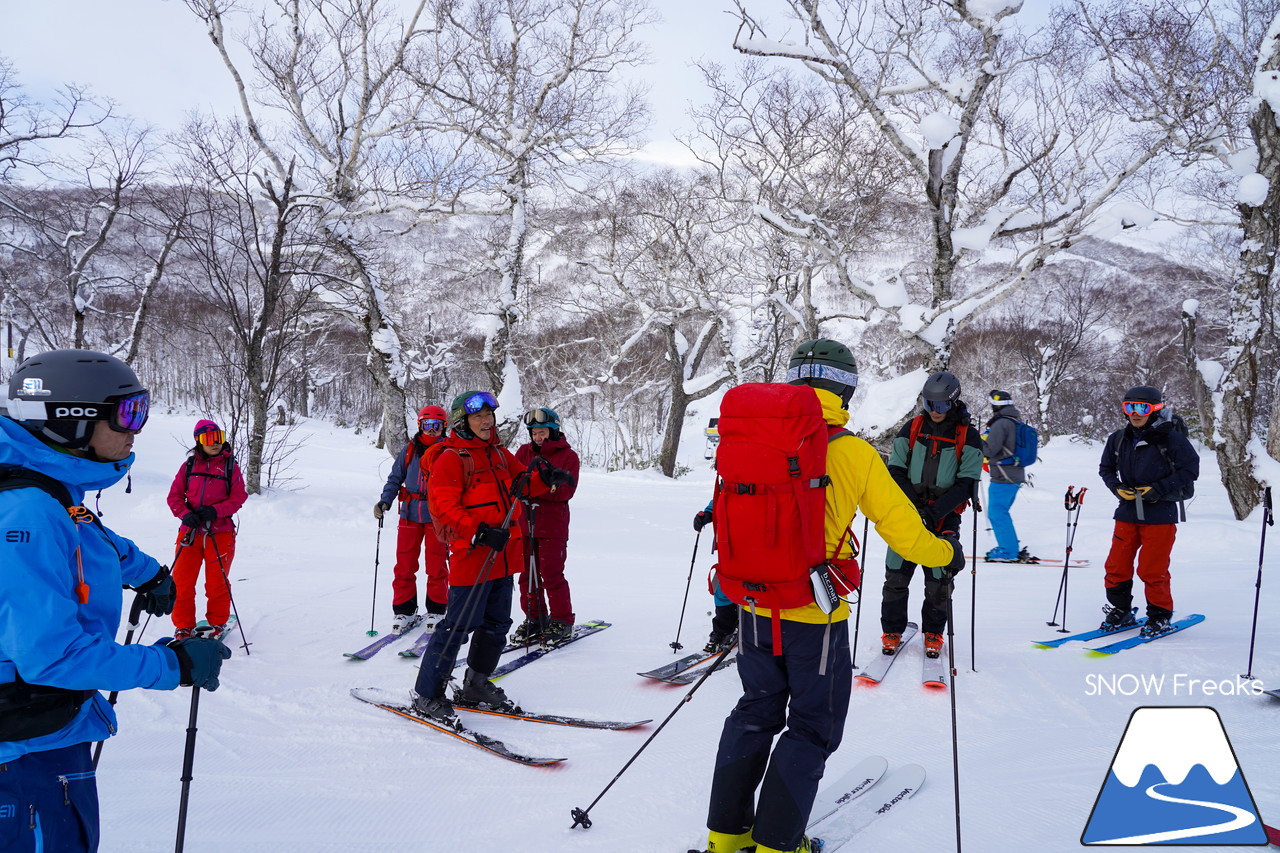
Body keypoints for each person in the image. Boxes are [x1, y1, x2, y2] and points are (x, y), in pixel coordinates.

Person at [700, 340, 964, 853]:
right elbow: (903, 530)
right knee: (812, 726)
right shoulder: (851, 450)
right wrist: (943, 556)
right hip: (812, 612)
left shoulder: (753, 439)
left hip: (753, 603)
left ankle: (725, 838)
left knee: (755, 711)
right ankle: (778, 844)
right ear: (845, 387)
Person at [0, 349, 230, 853]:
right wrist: (174, 665)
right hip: (23, 750)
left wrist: (147, 572)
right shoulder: (26, 515)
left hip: (46, 733)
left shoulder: (48, 487)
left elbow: (87, 535)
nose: (136, 429)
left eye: (141, 411)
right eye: (127, 414)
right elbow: (54, 658)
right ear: (71, 421)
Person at [409, 391, 574, 726]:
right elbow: (443, 506)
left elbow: (522, 482)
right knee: (457, 626)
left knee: (498, 623)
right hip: (473, 557)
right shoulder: (451, 458)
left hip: (503, 556)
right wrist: (478, 531)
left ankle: (476, 683)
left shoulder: (498, 452)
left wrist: (548, 479)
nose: (487, 421)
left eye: (490, 415)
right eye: (479, 416)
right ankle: (427, 692)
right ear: (463, 422)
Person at [881, 371, 984, 659]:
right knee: (896, 575)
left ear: (952, 403)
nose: (934, 412)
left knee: (939, 580)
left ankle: (934, 632)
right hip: (909, 512)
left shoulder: (968, 436)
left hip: (945, 515)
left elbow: (966, 483)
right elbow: (896, 471)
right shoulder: (911, 428)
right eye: (929, 404)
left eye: (940, 406)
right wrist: (915, 508)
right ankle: (892, 630)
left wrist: (934, 511)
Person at [1097, 385, 1199, 637]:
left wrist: (1157, 489)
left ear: (1155, 409)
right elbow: (1106, 469)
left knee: (1152, 569)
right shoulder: (1118, 439)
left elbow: (1191, 469)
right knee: (1116, 566)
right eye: (1129, 407)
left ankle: (1160, 615)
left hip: (1159, 514)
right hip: (1127, 512)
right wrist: (1117, 488)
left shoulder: (1171, 438)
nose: (1134, 413)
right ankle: (1122, 610)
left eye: (1141, 407)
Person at [166, 419, 248, 639]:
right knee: (182, 582)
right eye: (208, 439)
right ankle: (184, 626)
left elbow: (239, 496)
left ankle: (217, 623)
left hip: (220, 533)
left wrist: (216, 511)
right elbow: (174, 497)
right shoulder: (189, 466)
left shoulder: (230, 466)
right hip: (190, 533)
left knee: (216, 583)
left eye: (218, 438)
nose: (215, 443)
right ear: (198, 441)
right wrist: (185, 514)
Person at [375, 404, 451, 633]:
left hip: (437, 516)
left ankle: (437, 610)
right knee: (405, 565)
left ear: (444, 427)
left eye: (437, 426)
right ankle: (404, 611)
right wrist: (385, 501)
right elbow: (395, 478)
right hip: (409, 514)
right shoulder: (409, 450)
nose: (432, 430)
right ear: (419, 425)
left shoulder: (450, 451)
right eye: (427, 425)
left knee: (437, 566)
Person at [512, 407, 580, 645]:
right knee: (527, 576)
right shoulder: (523, 452)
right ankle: (535, 617)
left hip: (553, 526)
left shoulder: (568, 456)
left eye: (542, 432)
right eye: (534, 433)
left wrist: (536, 489)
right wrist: (541, 486)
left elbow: (565, 491)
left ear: (553, 431)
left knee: (551, 574)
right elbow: (514, 482)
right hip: (525, 525)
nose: (537, 437)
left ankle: (562, 620)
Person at [982, 389, 1034, 562]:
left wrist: (977, 441)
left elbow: (990, 450)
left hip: (1004, 475)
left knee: (997, 513)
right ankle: (1009, 545)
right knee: (1000, 512)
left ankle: (1008, 550)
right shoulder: (1013, 421)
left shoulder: (1001, 423)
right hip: (1014, 474)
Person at [692, 500, 738, 653]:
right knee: (723, 586)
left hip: (760, 542)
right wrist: (707, 514)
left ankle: (754, 629)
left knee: (754, 587)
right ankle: (725, 630)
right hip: (729, 543)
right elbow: (721, 496)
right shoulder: (729, 478)